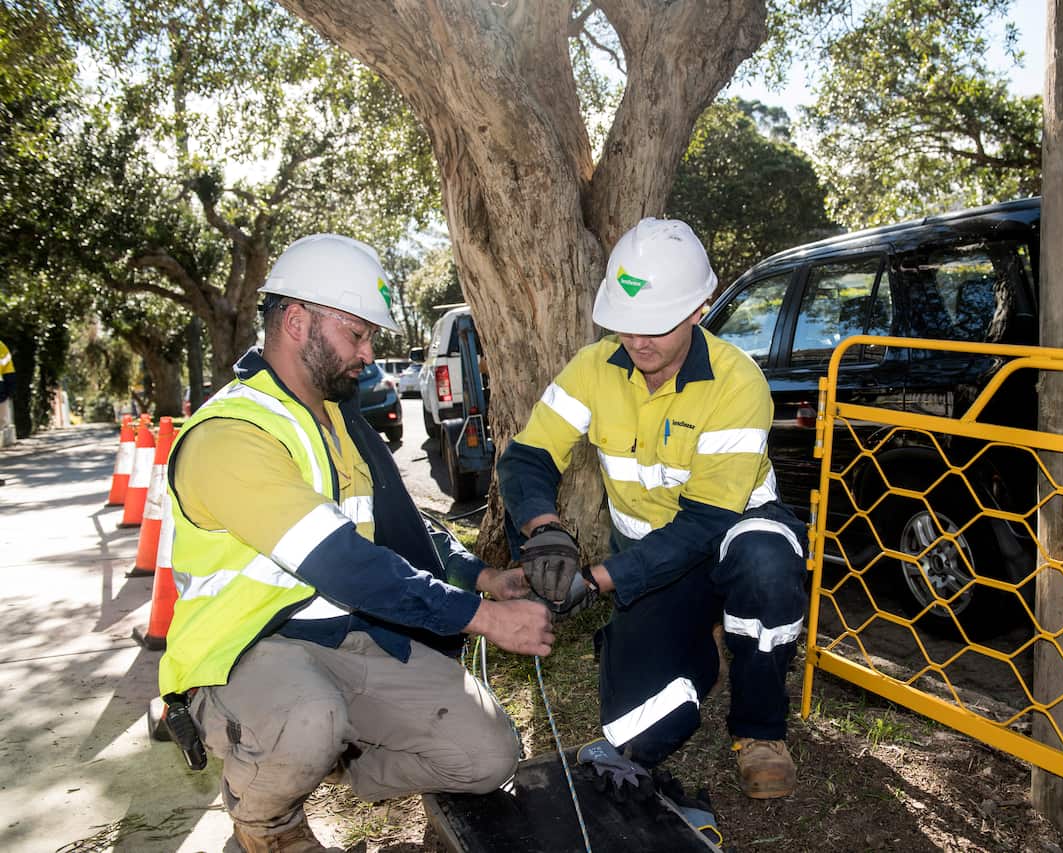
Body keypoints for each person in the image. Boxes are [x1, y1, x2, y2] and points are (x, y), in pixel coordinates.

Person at [158, 233, 554, 853]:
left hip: (350, 639)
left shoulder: (338, 419)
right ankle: (270, 821)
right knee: (307, 718)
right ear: (296, 320)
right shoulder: (230, 435)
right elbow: (343, 560)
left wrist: (480, 577)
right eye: (358, 334)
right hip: (247, 652)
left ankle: (339, 766)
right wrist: (483, 618)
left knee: (489, 756)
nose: (369, 355)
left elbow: (397, 527)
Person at [497, 218, 808, 800]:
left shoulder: (738, 382)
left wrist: (593, 581)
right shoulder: (594, 367)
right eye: (626, 325)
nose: (638, 342)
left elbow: (705, 525)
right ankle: (699, 644)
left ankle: (760, 728)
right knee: (633, 735)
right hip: (651, 560)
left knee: (765, 569)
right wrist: (544, 529)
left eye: (656, 326)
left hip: (731, 540)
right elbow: (527, 455)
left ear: (700, 310)